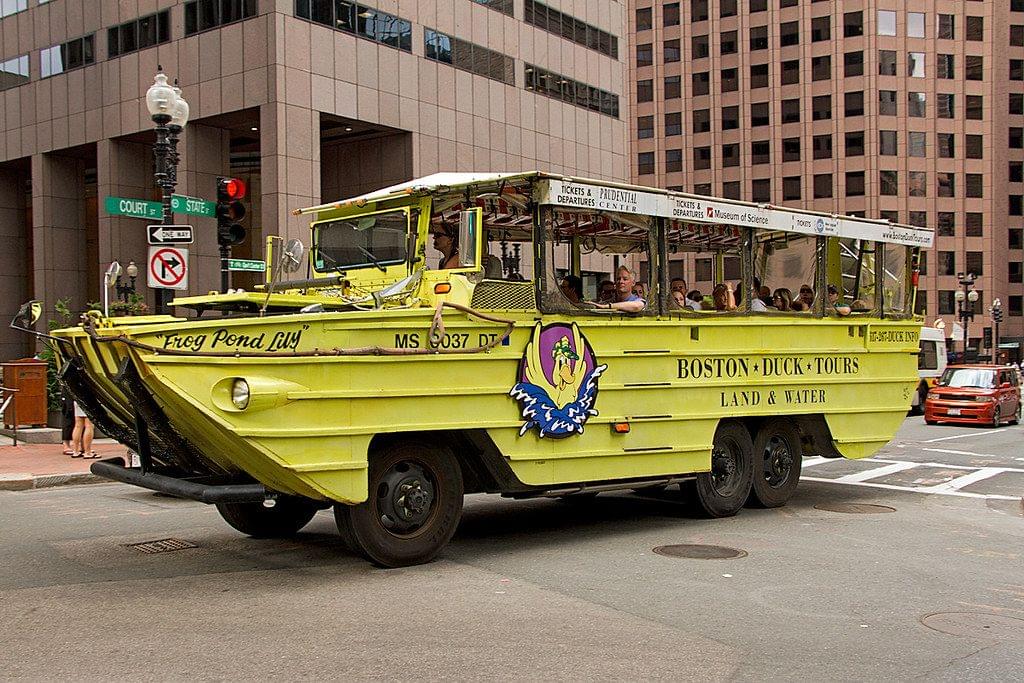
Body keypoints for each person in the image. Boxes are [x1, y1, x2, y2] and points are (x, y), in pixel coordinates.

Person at [60, 388, 75, 456]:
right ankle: (66, 445)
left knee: (80, 421)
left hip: (77, 390)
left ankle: (84, 446)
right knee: (68, 417)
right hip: (68, 390)